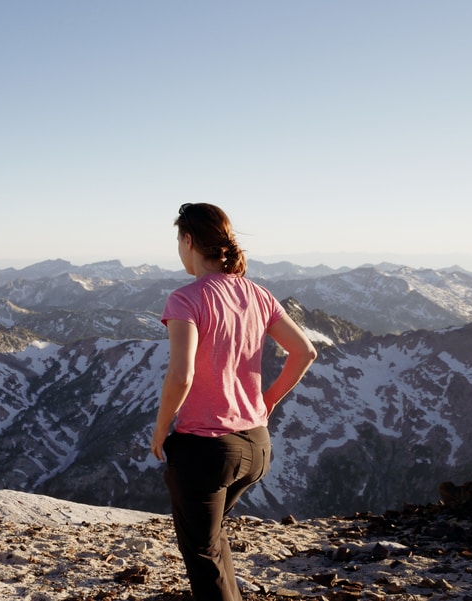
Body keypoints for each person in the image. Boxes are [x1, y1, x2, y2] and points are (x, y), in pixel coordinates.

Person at [150, 203, 317, 601]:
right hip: (256, 446)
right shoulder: (258, 295)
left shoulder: (185, 299)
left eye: (178, 241)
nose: (178, 249)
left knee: (202, 556)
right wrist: (269, 401)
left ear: (189, 241)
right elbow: (305, 352)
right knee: (213, 539)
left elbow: (181, 375)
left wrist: (160, 429)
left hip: (206, 451)